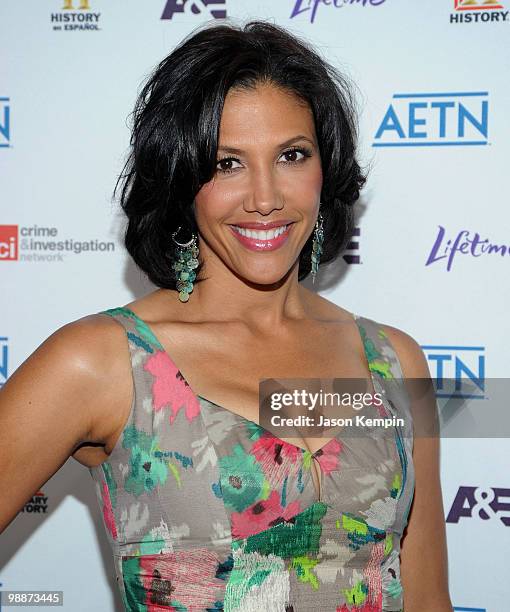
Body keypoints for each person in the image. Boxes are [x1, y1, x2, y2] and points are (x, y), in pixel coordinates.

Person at [0, 19, 453, 612]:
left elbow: (429, 602)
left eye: (292, 155)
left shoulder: (394, 361)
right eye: (227, 164)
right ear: (181, 179)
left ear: (326, 167)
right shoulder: (106, 360)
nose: (264, 198)